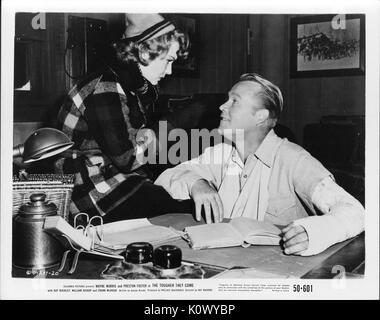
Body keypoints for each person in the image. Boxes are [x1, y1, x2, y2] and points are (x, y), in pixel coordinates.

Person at [155, 73, 365, 256]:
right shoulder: (222, 153)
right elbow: (166, 178)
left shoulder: (293, 159)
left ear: (260, 117)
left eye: (234, 101)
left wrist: (314, 232)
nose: (222, 106)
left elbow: (355, 211)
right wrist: (196, 183)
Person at [53, 13, 192, 223]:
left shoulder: (125, 84)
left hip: (106, 177)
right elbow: (128, 158)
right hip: (86, 189)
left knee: (173, 202)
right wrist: (161, 132)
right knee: (179, 210)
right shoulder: (106, 86)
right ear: (144, 52)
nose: (170, 71)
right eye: (168, 61)